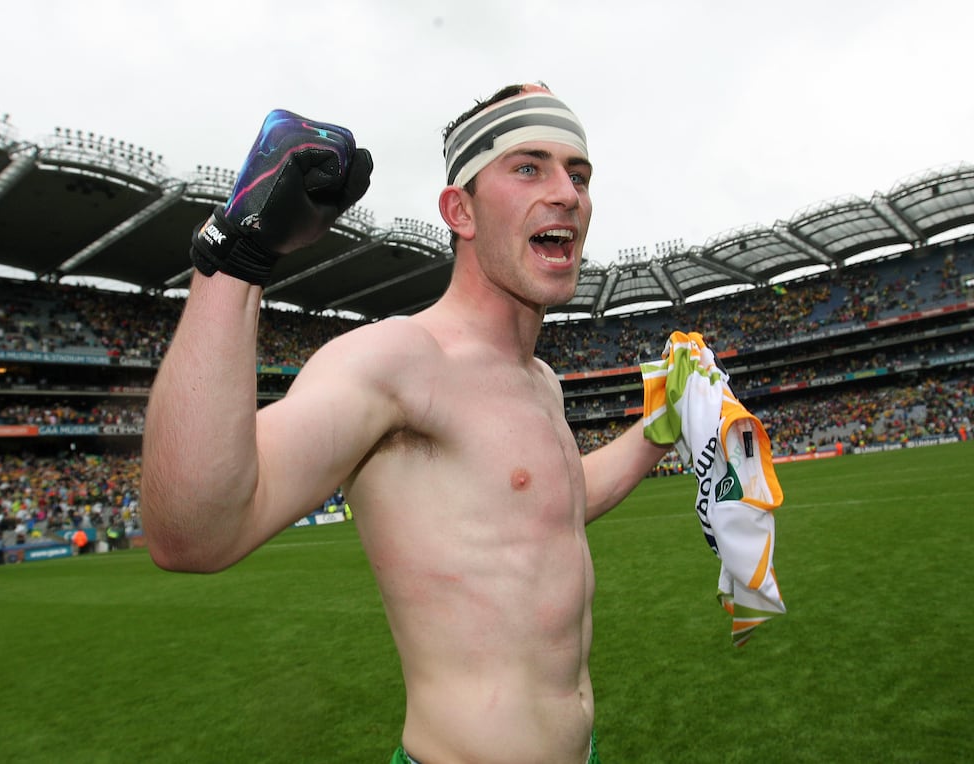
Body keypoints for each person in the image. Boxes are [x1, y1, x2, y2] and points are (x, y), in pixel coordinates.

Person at [142, 82, 670, 764]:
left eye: (579, 173)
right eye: (529, 166)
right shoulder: (397, 360)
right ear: (461, 211)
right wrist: (237, 259)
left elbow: (551, 507)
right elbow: (192, 534)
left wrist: (660, 430)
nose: (567, 192)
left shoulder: (541, 383)